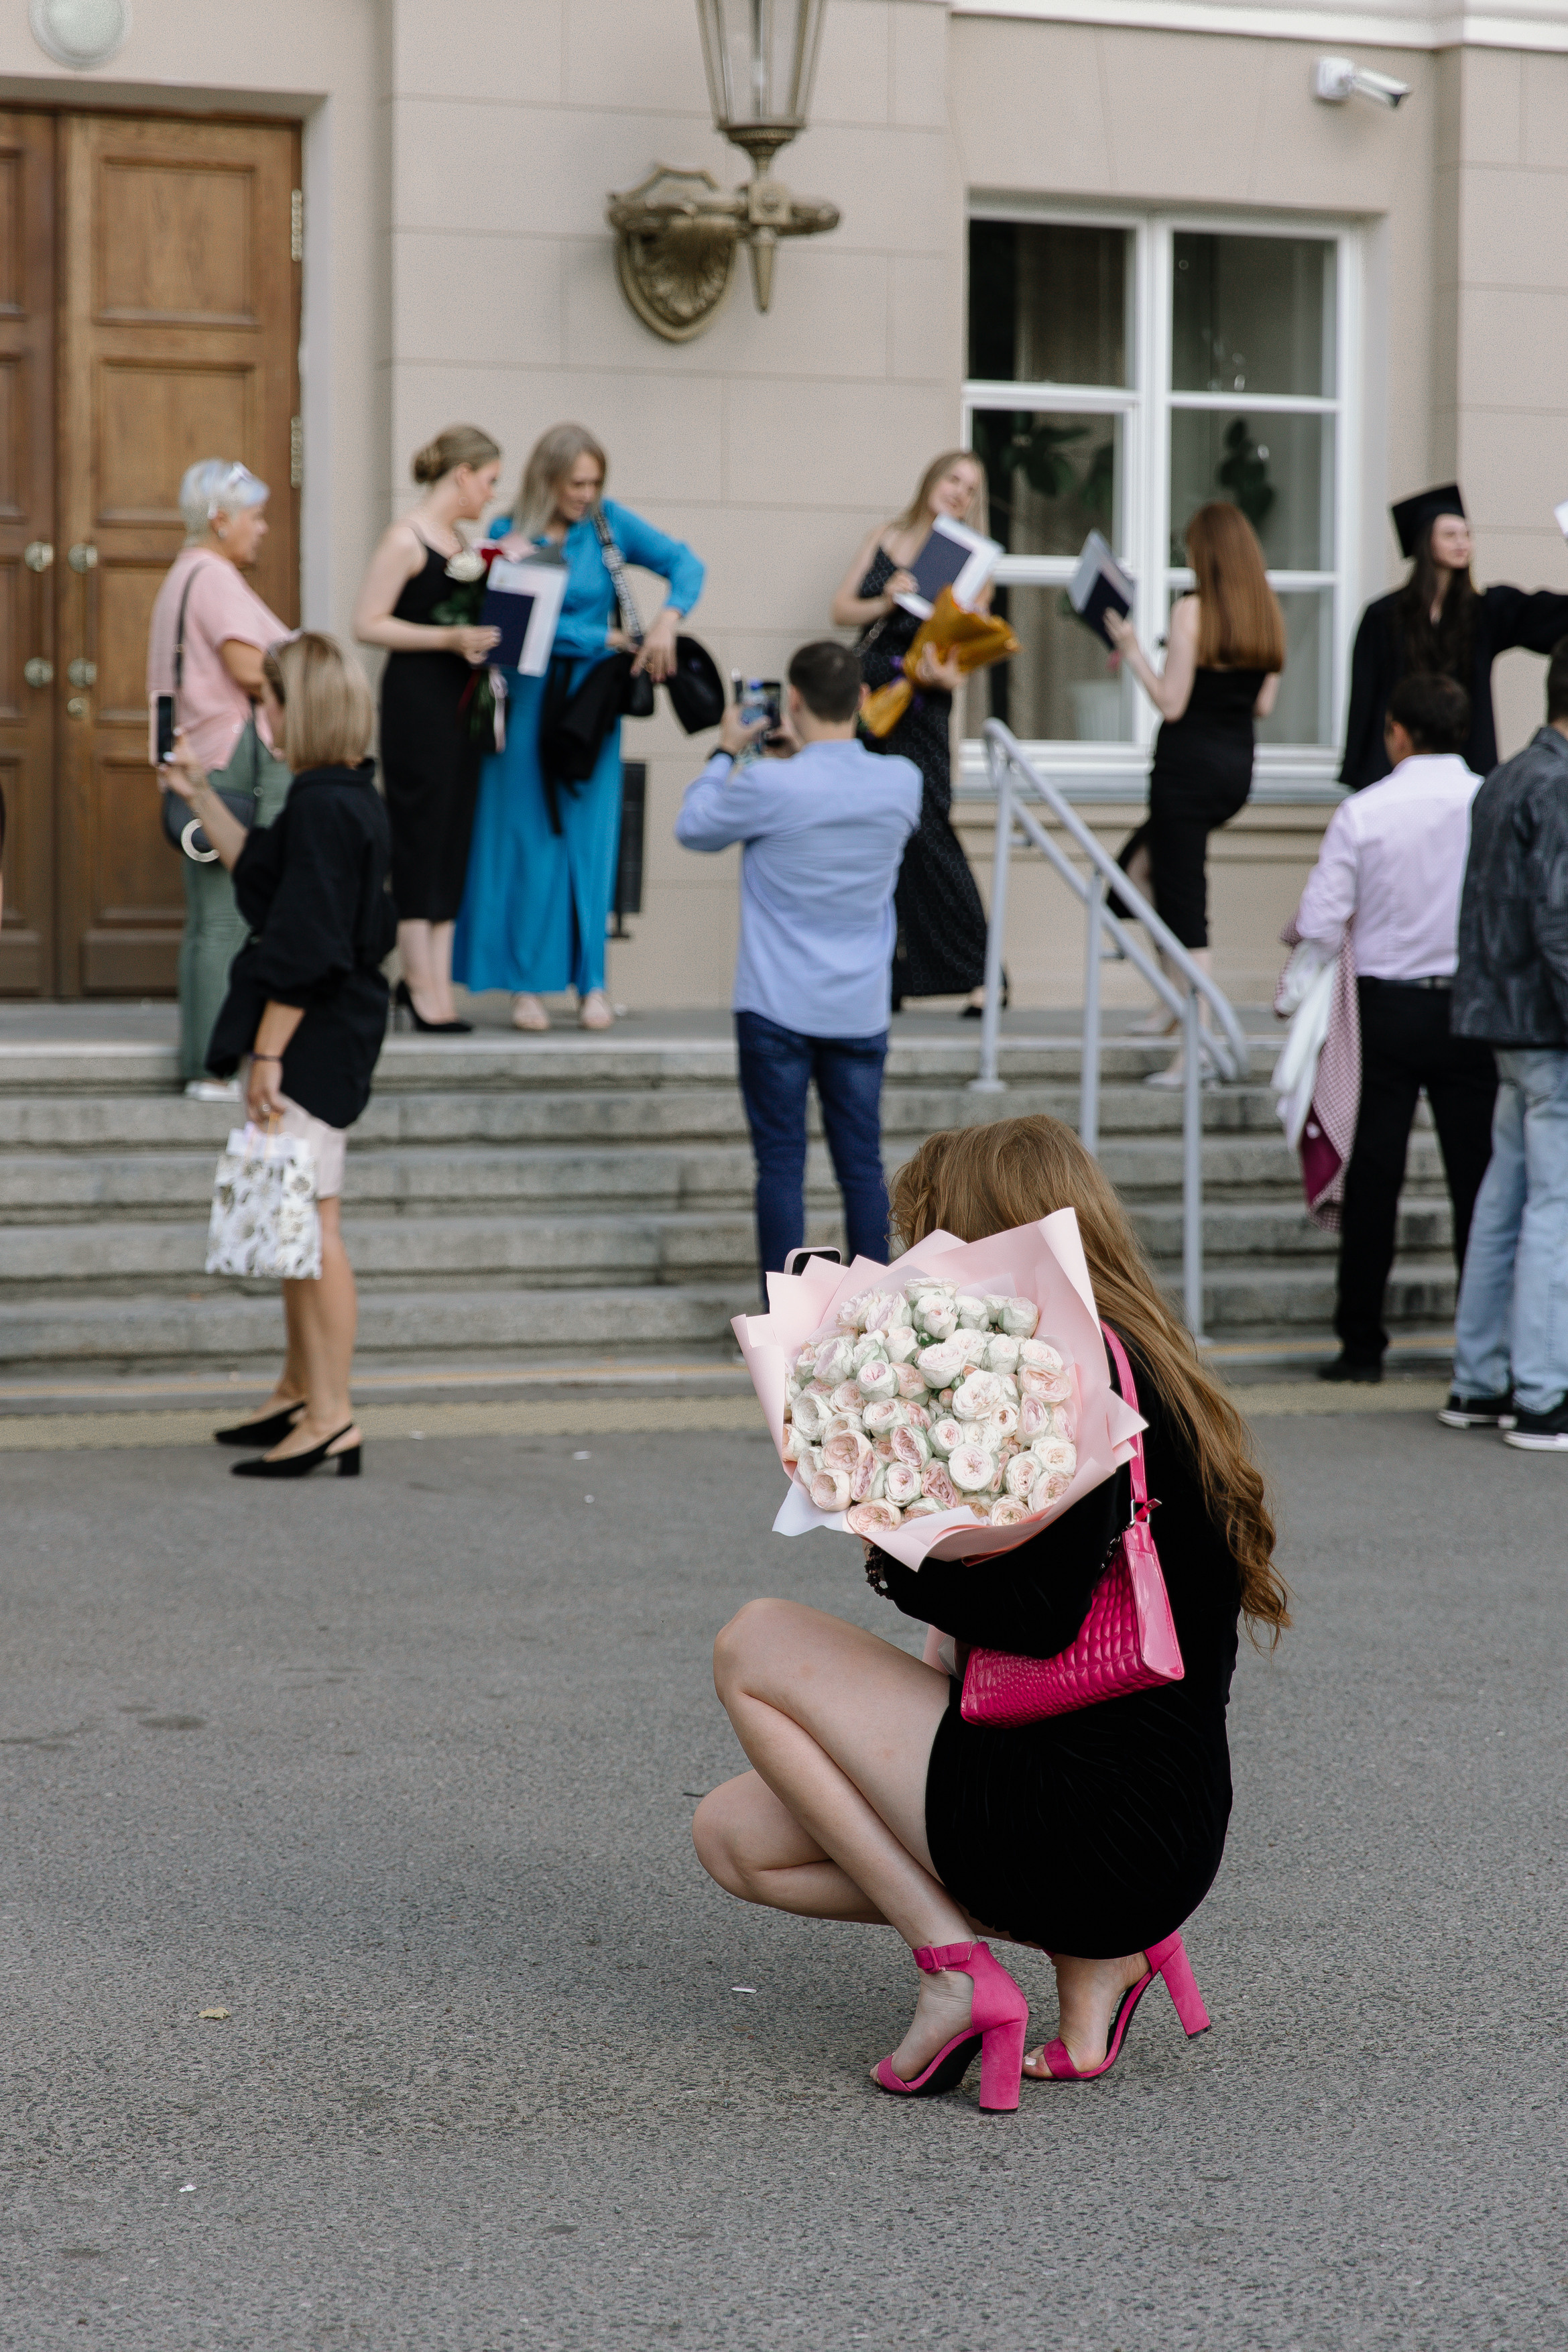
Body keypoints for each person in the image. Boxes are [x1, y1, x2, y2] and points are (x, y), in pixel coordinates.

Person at [692, 1113, 1288, 2109]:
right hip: (1166, 1823)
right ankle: (1097, 1955)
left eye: (924, 1232)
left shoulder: (1064, 1380)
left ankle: (954, 1971)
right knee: (733, 1835)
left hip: (1081, 1815)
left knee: (754, 1641)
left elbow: (1034, 1615)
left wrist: (885, 1544)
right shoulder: (1148, 1369)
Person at [162, 634, 394, 1480]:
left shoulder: (326, 806)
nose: (265, 719)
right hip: (324, 1029)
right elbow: (263, 876)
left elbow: (309, 943)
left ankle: (331, 1414)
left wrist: (267, 1051)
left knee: (314, 1226)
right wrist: (198, 791)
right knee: (302, 1221)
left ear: (306, 708)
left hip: (312, 1035)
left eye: (272, 702)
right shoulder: (333, 795)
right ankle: (302, 1392)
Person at [673, 640, 920, 1285]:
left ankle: (781, 1317)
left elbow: (693, 826)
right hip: (858, 1006)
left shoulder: (767, 781)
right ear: (861, 698)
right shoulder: (903, 780)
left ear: (795, 701)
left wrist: (727, 752)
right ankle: (877, 1318)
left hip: (775, 1003)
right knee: (861, 1168)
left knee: (780, 1165)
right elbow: (838, 792)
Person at [454, 422, 704, 1033]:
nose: (586, 494)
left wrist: (667, 620)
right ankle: (525, 986)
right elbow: (510, 631)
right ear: (547, 479)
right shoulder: (508, 532)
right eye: (575, 484)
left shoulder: (608, 523)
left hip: (591, 707)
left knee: (591, 842)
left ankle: (592, 982)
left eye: (594, 483)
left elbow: (685, 563)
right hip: (528, 698)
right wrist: (604, 638)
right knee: (525, 839)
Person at [1286, 672, 1497, 1385]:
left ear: (1397, 733)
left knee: (1373, 1177)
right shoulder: (1489, 800)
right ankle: (1484, 1348)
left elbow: (1320, 922)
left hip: (1384, 1009)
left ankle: (1360, 1347)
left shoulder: (1363, 811)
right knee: (1479, 1180)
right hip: (1471, 1009)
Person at [1106, 503, 1283, 1087]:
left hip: (1184, 771)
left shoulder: (1191, 611)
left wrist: (1133, 650)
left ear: (1204, 554)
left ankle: (1195, 1049)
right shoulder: (1265, 612)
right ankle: (1170, 1003)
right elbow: (1262, 705)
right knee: (1137, 874)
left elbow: (1171, 702)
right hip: (1233, 770)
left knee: (1183, 905)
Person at [1445, 639, 1568, 1450]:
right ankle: (1542, 1392)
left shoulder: (1505, 776)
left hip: (1498, 1017)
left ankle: (1477, 1379)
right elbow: (1558, 920)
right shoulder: (1557, 785)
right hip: (1548, 1025)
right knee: (1553, 1206)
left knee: (1501, 1199)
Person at [146, 459, 293, 1098]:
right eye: (255, 517)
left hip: (202, 756)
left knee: (209, 919)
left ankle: (204, 1060)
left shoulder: (186, 573)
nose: (263, 529)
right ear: (220, 520)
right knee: (227, 917)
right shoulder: (213, 576)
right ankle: (212, 1067)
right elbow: (249, 667)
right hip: (231, 759)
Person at [831, 451, 993, 1016]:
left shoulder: (974, 563)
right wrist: (887, 597)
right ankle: (891, 973)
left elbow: (963, 658)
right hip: (868, 699)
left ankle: (982, 974)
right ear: (931, 480)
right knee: (874, 836)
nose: (959, 493)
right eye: (953, 479)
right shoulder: (886, 536)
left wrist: (941, 674)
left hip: (920, 704)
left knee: (931, 834)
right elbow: (840, 610)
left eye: (970, 489)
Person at [353, 424, 502, 1034]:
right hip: (418, 703)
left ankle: (437, 985)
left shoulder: (461, 542)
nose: (492, 494)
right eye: (489, 481)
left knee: (451, 836)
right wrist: (448, 638)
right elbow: (367, 622)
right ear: (462, 475)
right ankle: (418, 984)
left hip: (460, 703)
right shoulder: (405, 538)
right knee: (418, 835)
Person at [1341, 484, 1568, 792]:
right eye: (1450, 535)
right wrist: (1359, 769)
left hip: (1465, 762)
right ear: (1426, 541)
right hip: (1397, 766)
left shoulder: (1484, 612)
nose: (1462, 543)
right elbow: (1364, 697)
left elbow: (1549, 616)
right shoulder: (1384, 617)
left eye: (1466, 535)